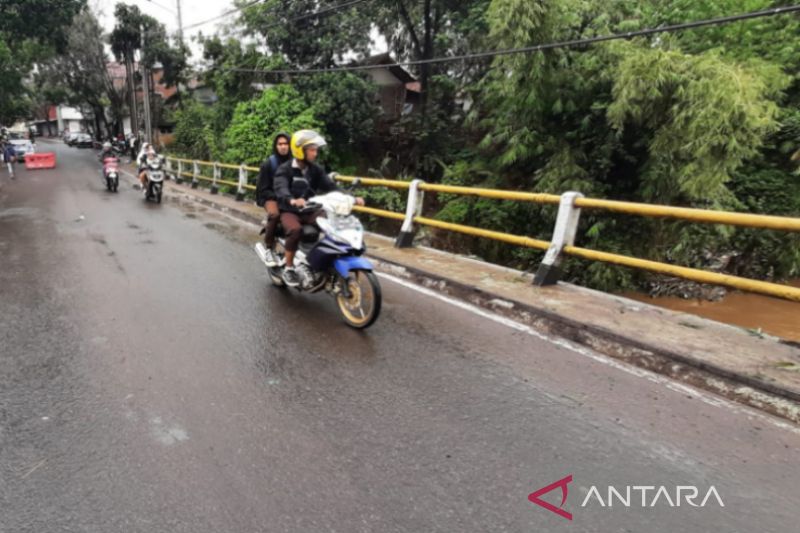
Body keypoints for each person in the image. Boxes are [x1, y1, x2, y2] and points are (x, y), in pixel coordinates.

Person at [273, 129, 365, 287]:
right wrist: (292, 200)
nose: (315, 153)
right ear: (300, 150)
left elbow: (330, 186)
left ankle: (323, 261)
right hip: (290, 210)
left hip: (309, 210)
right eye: (312, 150)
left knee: (333, 222)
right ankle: (288, 268)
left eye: (316, 150)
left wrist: (350, 198)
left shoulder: (315, 170)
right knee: (295, 230)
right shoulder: (285, 169)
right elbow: (281, 188)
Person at [256, 132, 291, 266]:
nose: (283, 147)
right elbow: (263, 189)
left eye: (285, 144)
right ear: (276, 146)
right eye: (280, 144)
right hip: (271, 197)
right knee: (275, 214)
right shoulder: (269, 164)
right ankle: (269, 248)